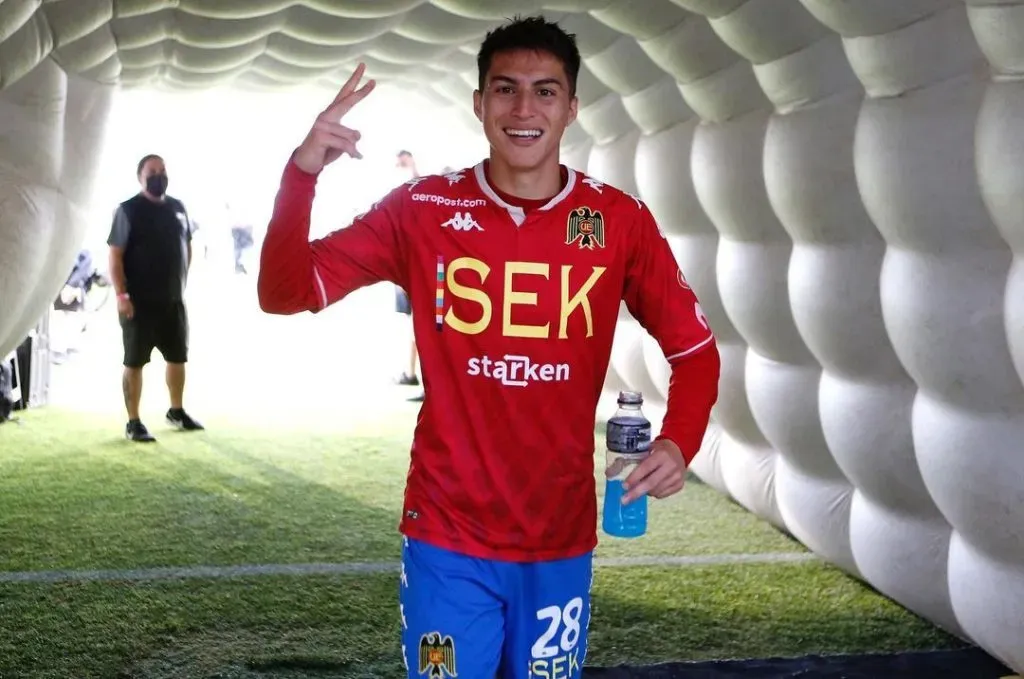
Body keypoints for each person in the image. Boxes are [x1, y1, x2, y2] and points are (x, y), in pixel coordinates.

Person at [257, 15, 720, 679]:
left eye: (545, 91)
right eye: (505, 90)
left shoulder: (617, 221)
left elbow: (695, 350)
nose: (524, 109)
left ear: (572, 108)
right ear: (479, 104)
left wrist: (679, 441)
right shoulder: (421, 209)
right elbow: (285, 290)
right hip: (447, 537)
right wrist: (302, 173)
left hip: (559, 540)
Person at [107, 154, 204, 442]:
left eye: (162, 170)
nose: (158, 175)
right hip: (137, 303)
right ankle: (133, 422)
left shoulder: (178, 208)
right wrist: (122, 295)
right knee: (134, 361)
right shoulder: (128, 210)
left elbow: (187, 246)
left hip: (173, 301)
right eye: (152, 171)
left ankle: (176, 411)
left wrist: (181, 281)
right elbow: (115, 256)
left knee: (178, 357)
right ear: (140, 176)